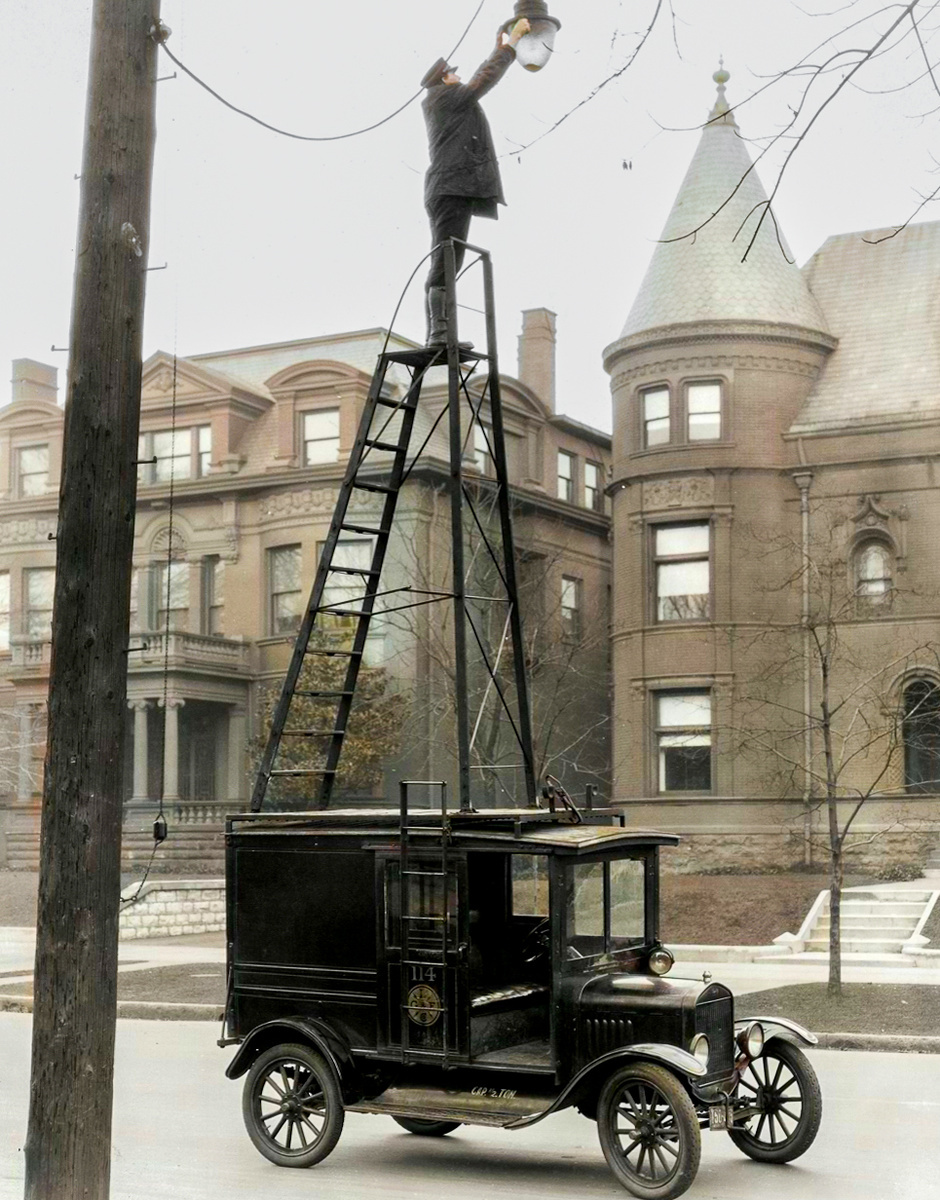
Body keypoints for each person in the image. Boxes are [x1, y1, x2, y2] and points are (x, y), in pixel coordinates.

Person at [421, 18, 530, 346]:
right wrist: (510, 46)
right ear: (444, 77)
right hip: (451, 188)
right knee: (446, 259)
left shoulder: (447, 100)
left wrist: (499, 49)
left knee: (449, 258)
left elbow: (476, 81)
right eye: (453, 72)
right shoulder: (444, 98)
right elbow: (482, 81)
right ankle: (439, 334)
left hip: (451, 188)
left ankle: (442, 333)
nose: (458, 76)